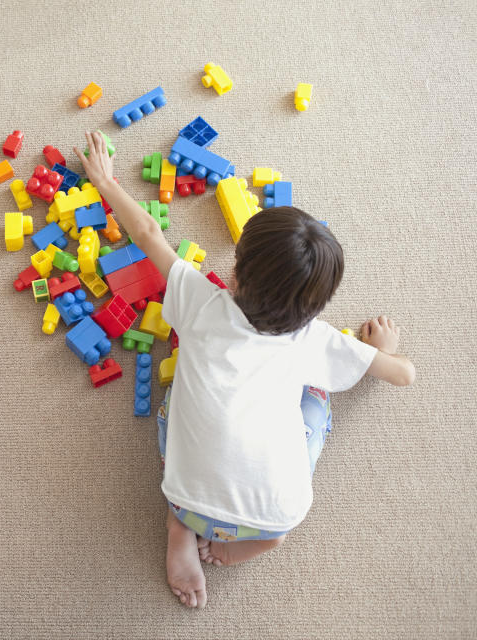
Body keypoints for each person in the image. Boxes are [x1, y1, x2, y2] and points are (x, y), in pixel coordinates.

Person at [74, 131, 416, 609]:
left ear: (235, 273)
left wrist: (107, 183)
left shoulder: (198, 300)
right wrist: (385, 348)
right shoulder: (316, 341)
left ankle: (179, 527)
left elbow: (149, 234)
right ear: (316, 304)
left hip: (183, 493)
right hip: (272, 520)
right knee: (316, 401)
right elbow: (404, 375)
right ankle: (241, 552)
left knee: (176, 401)